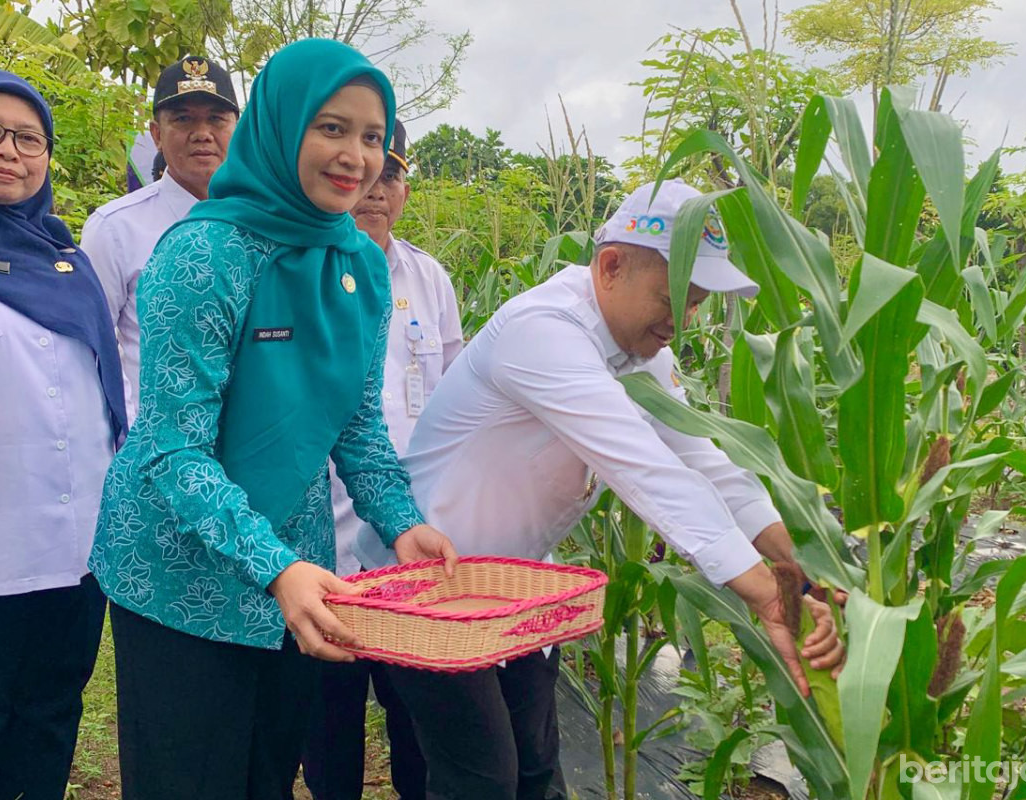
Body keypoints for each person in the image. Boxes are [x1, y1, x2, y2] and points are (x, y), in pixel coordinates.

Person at [357, 179, 847, 800]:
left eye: (698, 301)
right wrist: (765, 595)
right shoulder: (542, 331)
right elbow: (646, 469)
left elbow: (710, 464)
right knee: (481, 778)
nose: (685, 318)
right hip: (431, 587)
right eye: (676, 294)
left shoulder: (644, 353)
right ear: (612, 266)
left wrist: (799, 569)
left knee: (537, 769)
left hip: (513, 585)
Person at [87, 39, 459, 798]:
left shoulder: (357, 266)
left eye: (371, 136)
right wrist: (276, 566)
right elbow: (171, 450)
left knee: (266, 774)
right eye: (331, 128)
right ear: (281, 127)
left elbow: (355, 426)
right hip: (179, 572)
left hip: (296, 566)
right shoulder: (201, 256)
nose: (354, 155)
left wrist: (401, 522)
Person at [0, 69, 126, 800]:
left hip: (73, 552)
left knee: (53, 721)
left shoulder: (70, 264)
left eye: (28, 138)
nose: (8, 151)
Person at [301, 120, 463, 800]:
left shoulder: (428, 277)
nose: (377, 187)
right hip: (325, 549)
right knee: (328, 727)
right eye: (369, 170)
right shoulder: (300, 270)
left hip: (406, 548)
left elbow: (453, 400)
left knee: (418, 730)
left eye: (392, 173)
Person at [81, 55, 239, 421]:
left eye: (216, 119)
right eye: (183, 119)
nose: (202, 133)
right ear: (156, 134)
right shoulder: (115, 228)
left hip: (253, 458)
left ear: (238, 128)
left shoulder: (264, 227)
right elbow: (93, 350)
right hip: (161, 453)